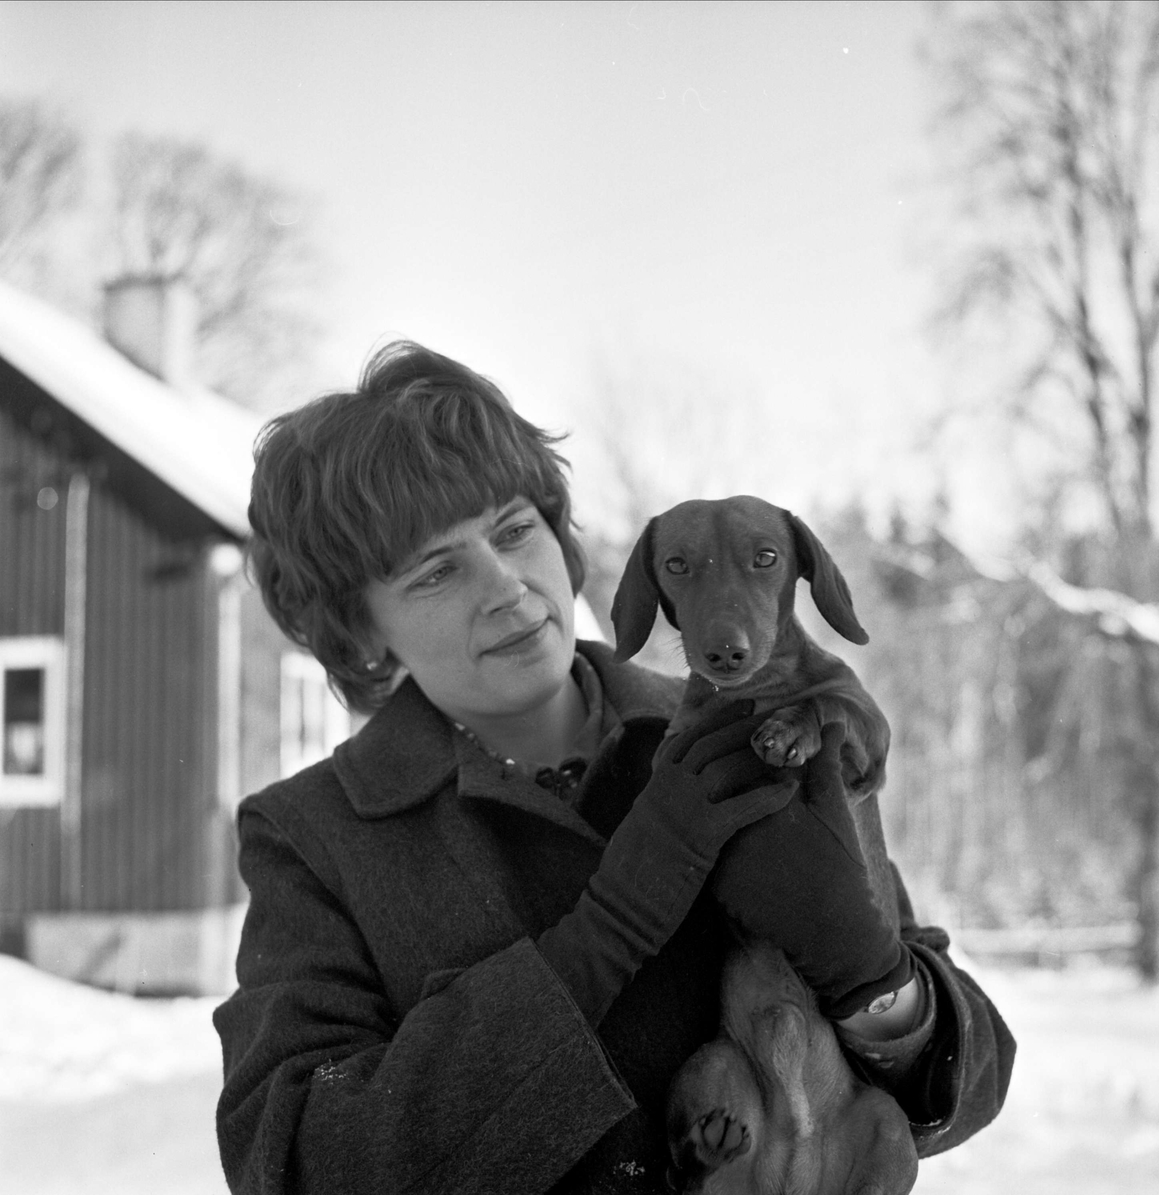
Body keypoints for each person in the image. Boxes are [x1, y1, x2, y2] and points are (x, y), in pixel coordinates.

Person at [213, 341, 1015, 1195]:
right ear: (360, 628)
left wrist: (874, 977)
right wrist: (599, 937)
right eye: (437, 570)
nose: (510, 588)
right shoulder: (317, 836)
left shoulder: (747, 723)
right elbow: (300, 1161)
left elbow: (974, 1075)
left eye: (515, 531)